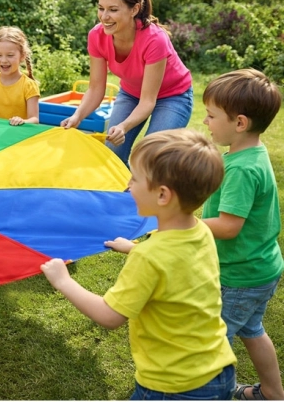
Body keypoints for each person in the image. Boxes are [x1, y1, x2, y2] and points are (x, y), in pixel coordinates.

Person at [42, 129, 237, 400]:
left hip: (174, 385)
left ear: (162, 195)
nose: (128, 184)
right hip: (218, 369)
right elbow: (176, 265)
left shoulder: (149, 257)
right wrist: (134, 248)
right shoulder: (200, 231)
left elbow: (110, 316)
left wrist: (63, 281)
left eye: (134, 178)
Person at [200, 69, 284, 401]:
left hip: (240, 277)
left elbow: (228, 226)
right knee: (252, 330)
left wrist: (183, 224)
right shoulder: (250, 155)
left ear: (239, 123)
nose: (205, 121)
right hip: (260, 269)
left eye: (211, 115)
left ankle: (209, 394)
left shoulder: (242, 169)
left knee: (210, 343)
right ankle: (273, 393)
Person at [60, 0, 193, 166]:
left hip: (173, 96)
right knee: (113, 153)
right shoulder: (96, 36)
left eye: (113, 10)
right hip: (131, 94)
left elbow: (148, 101)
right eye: (101, 8)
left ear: (135, 9)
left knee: (152, 157)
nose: (104, 16)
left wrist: (124, 126)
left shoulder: (155, 39)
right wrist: (77, 116)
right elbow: (96, 88)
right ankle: (129, 185)